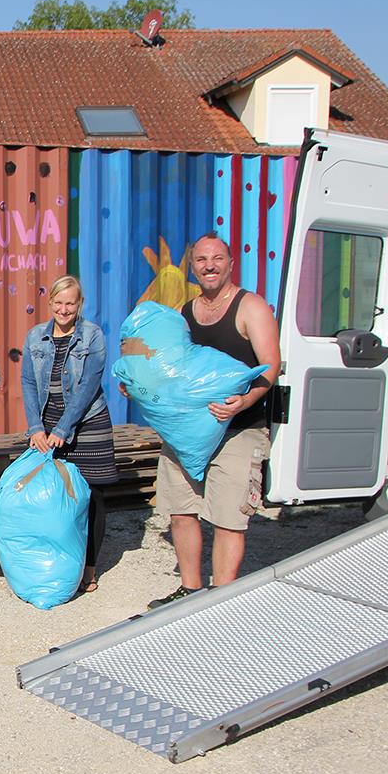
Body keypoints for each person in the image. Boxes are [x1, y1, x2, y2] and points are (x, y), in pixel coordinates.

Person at [147, 234, 280, 608]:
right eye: (202, 260)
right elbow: (171, 366)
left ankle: (220, 600)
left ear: (231, 262)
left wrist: (244, 402)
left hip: (239, 429)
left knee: (228, 517)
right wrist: (144, 386)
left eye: (217, 258)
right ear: (193, 267)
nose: (209, 266)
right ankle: (190, 590)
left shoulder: (250, 307)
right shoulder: (185, 312)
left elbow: (271, 366)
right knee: (181, 510)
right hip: (187, 431)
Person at [20, 274, 118, 593]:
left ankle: (89, 567)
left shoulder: (92, 336)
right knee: (56, 497)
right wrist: (36, 427)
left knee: (90, 496)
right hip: (47, 428)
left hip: (87, 422)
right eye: (58, 303)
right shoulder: (35, 337)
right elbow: (29, 383)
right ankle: (61, 562)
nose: (64, 309)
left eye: (70, 303)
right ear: (50, 303)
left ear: (80, 304)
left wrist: (64, 428)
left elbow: (89, 385)